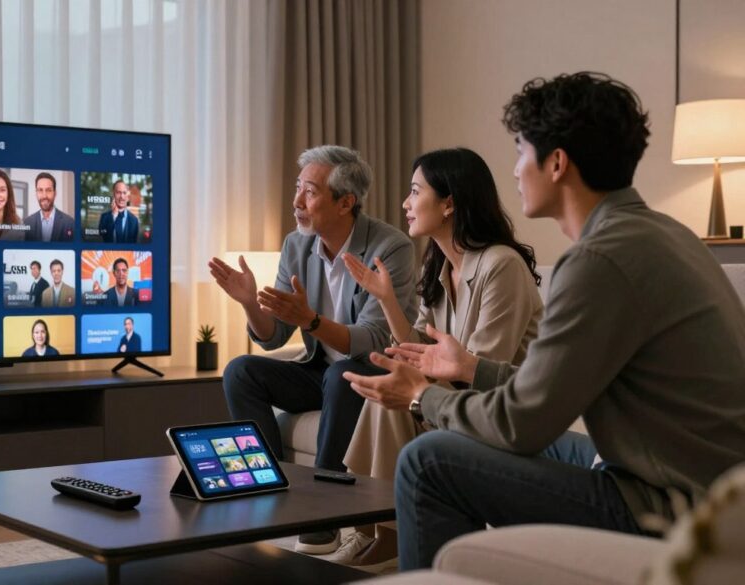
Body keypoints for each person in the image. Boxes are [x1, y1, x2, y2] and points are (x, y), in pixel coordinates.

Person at [342, 72, 745, 571]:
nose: (514, 171)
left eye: (520, 152)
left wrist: (424, 396)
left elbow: (520, 426)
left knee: (430, 460)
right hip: (691, 482)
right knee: (453, 435)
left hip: (670, 505)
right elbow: (548, 390)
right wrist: (471, 368)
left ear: (556, 163)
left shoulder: (600, 259)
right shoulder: (666, 235)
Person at [327, 147, 544, 570]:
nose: (405, 204)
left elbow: (479, 368)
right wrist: (388, 299)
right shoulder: (442, 265)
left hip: (497, 406)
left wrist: (415, 381)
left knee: (394, 393)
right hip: (454, 396)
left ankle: (383, 535)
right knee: (389, 386)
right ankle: (378, 532)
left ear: (449, 203)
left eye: (414, 192)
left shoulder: (501, 266)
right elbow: (418, 351)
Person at [209, 144, 418, 555]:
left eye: (309, 191)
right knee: (241, 371)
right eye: (298, 188)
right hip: (320, 370)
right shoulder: (297, 245)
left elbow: (376, 338)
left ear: (346, 203)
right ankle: (269, 495)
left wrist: (313, 323)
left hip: (371, 369)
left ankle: (323, 518)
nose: (296, 202)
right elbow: (273, 336)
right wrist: (251, 303)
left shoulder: (390, 248)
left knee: (343, 376)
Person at [23, 172, 75, 242]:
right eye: (40, 190)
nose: (44, 196)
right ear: (36, 193)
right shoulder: (27, 223)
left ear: (55, 193)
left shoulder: (70, 223)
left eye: (48, 190)